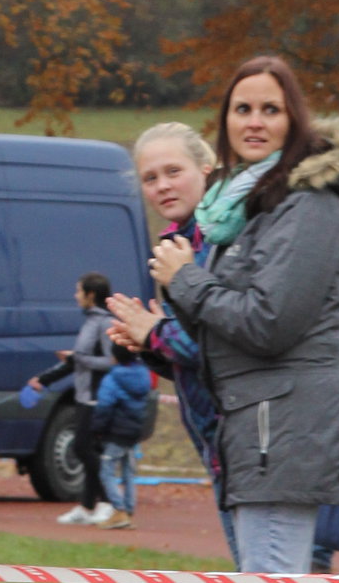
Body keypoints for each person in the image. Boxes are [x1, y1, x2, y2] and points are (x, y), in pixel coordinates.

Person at [152, 55, 339, 583]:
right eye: (242, 109)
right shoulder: (248, 205)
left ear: (294, 118)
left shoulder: (307, 204)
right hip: (266, 415)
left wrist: (186, 281)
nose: (255, 122)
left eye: (270, 109)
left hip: (284, 418)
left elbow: (269, 322)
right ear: (225, 122)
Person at [107, 123, 225, 540]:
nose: (162, 186)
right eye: (150, 178)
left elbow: (221, 342)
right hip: (216, 439)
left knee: (281, 572)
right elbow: (193, 359)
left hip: (254, 437)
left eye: (174, 172)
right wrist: (149, 345)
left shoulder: (224, 240)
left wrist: (156, 332)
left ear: (206, 170)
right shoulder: (174, 244)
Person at [30, 273, 116, 526]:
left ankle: (108, 502)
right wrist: (44, 379)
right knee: (86, 449)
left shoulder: (105, 323)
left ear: (91, 294)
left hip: (98, 397)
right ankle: (87, 507)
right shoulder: (89, 322)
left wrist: (78, 359)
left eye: (79, 291)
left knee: (83, 448)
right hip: (82, 395)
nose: (75, 296)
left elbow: (112, 362)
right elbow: (77, 359)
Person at [91, 354, 153, 528]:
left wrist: (97, 430)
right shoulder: (143, 375)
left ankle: (119, 510)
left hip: (116, 432)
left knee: (107, 471)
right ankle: (129, 510)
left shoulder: (112, 378)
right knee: (128, 472)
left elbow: (104, 406)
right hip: (134, 431)